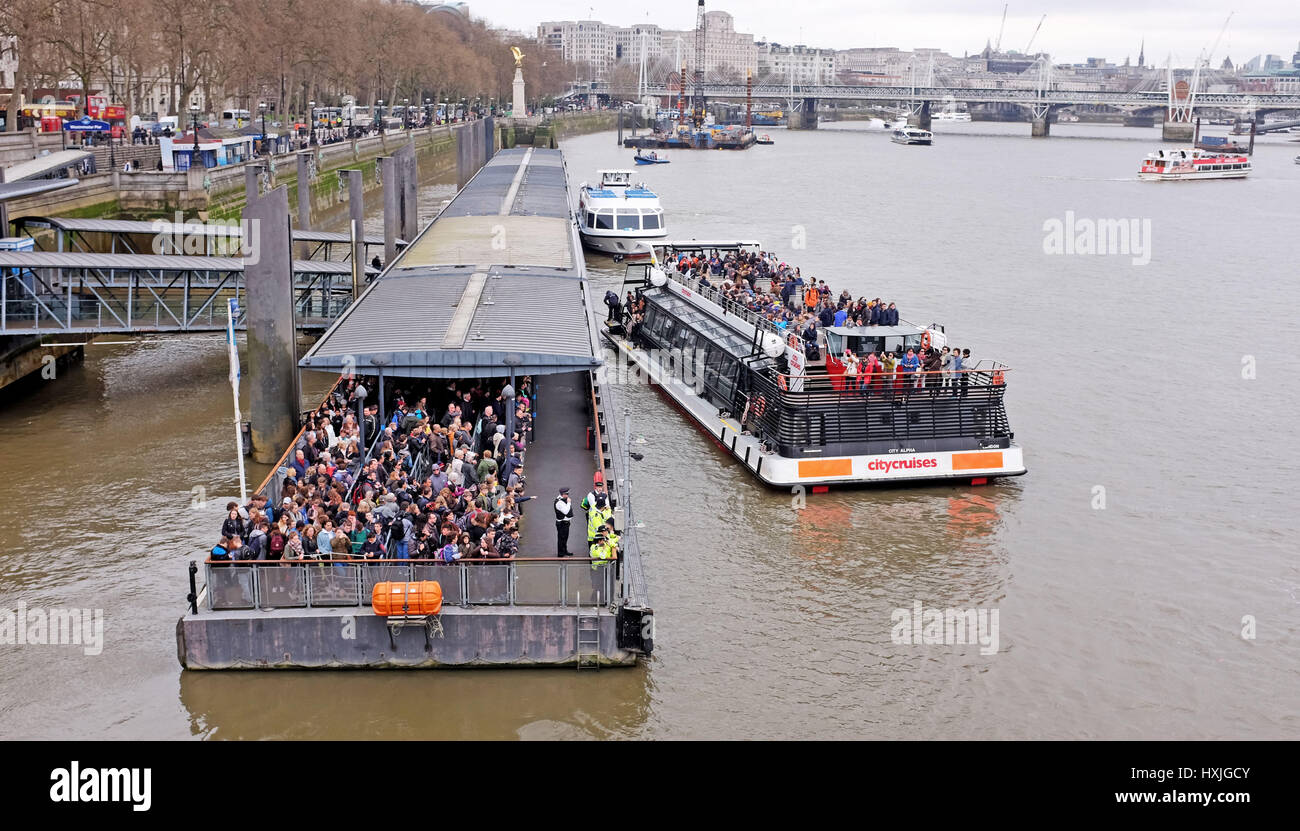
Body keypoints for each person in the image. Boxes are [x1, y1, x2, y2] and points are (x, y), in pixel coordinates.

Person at [554, 487, 574, 557]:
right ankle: (560, 553)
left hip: (566, 522)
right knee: (561, 538)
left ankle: (565, 551)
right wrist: (569, 503)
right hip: (562, 523)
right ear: (563, 494)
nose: (568, 495)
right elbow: (565, 511)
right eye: (567, 494)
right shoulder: (559, 502)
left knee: (565, 538)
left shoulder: (563, 499)